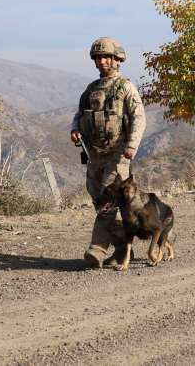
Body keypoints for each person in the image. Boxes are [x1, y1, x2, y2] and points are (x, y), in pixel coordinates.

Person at [71, 37, 146, 268]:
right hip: (94, 153)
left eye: (106, 57)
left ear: (117, 59)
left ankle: (97, 249)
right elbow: (80, 114)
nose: (102, 61)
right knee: (98, 198)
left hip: (118, 153)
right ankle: (124, 246)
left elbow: (139, 118)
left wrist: (132, 144)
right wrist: (74, 129)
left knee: (108, 199)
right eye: (98, 57)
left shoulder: (125, 87)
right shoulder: (91, 89)